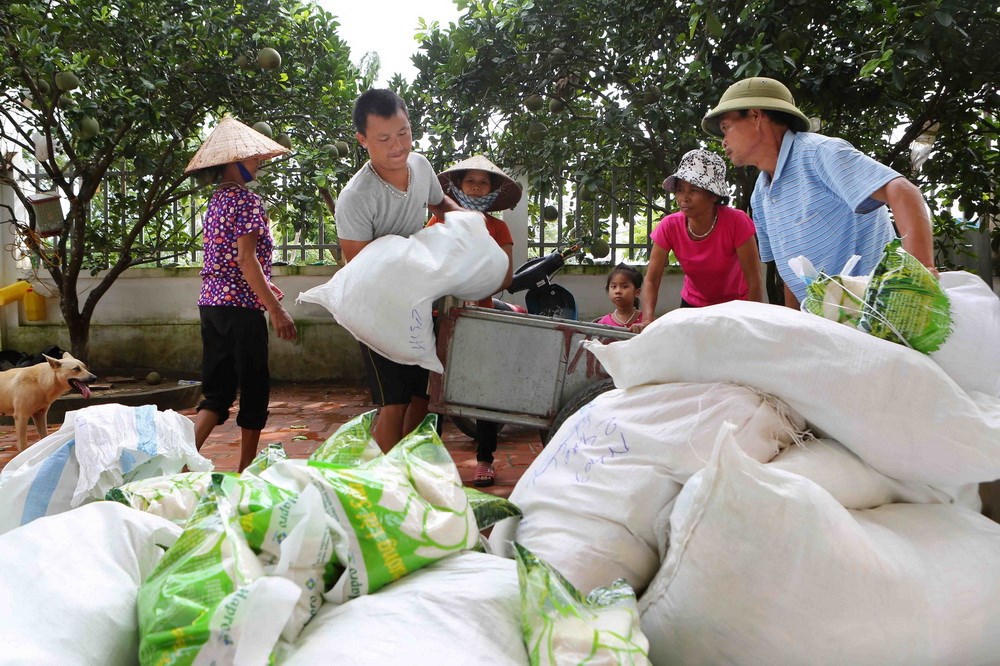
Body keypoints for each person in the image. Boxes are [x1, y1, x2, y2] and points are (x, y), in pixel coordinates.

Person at [701, 76, 935, 309]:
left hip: (877, 314)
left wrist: (919, 279)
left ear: (755, 116)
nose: (724, 141)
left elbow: (902, 190)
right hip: (828, 325)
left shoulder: (818, 153)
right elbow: (791, 273)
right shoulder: (760, 195)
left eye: (726, 128)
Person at [335, 89, 463, 453]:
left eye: (404, 133)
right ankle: (379, 489)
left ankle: (403, 470)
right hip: (372, 311)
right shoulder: (356, 197)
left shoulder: (421, 166)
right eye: (384, 138)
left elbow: (441, 203)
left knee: (422, 397)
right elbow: (361, 270)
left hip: (415, 304)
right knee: (394, 404)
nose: (398, 146)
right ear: (362, 140)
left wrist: (466, 223)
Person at [183, 116, 297, 472]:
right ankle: (245, 470)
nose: (259, 162)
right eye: (252, 158)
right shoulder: (247, 201)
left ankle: (179, 466)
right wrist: (275, 309)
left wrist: (264, 287)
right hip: (241, 309)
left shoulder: (216, 201)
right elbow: (246, 260)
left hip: (211, 306)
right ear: (234, 162)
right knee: (254, 385)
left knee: (216, 392)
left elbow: (232, 261)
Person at [427, 155, 522, 486]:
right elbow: (428, 261)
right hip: (441, 313)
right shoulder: (439, 222)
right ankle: (430, 459)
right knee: (434, 387)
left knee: (483, 386)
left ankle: (485, 459)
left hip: (481, 314)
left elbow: (506, 276)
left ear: (492, 191)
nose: (477, 187)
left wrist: (476, 285)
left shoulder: (498, 227)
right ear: (457, 186)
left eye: (483, 183)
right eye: (471, 182)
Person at [632, 148, 763, 332]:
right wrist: (647, 318)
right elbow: (652, 279)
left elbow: (754, 280)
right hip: (692, 305)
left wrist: (754, 323)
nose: (684, 198)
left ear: (714, 194)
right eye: (680, 190)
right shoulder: (669, 226)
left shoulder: (737, 222)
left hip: (736, 307)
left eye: (693, 190)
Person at [596, 263, 644, 328]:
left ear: (637, 292)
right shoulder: (604, 322)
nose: (618, 291)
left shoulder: (645, 321)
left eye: (624, 286)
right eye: (614, 286)